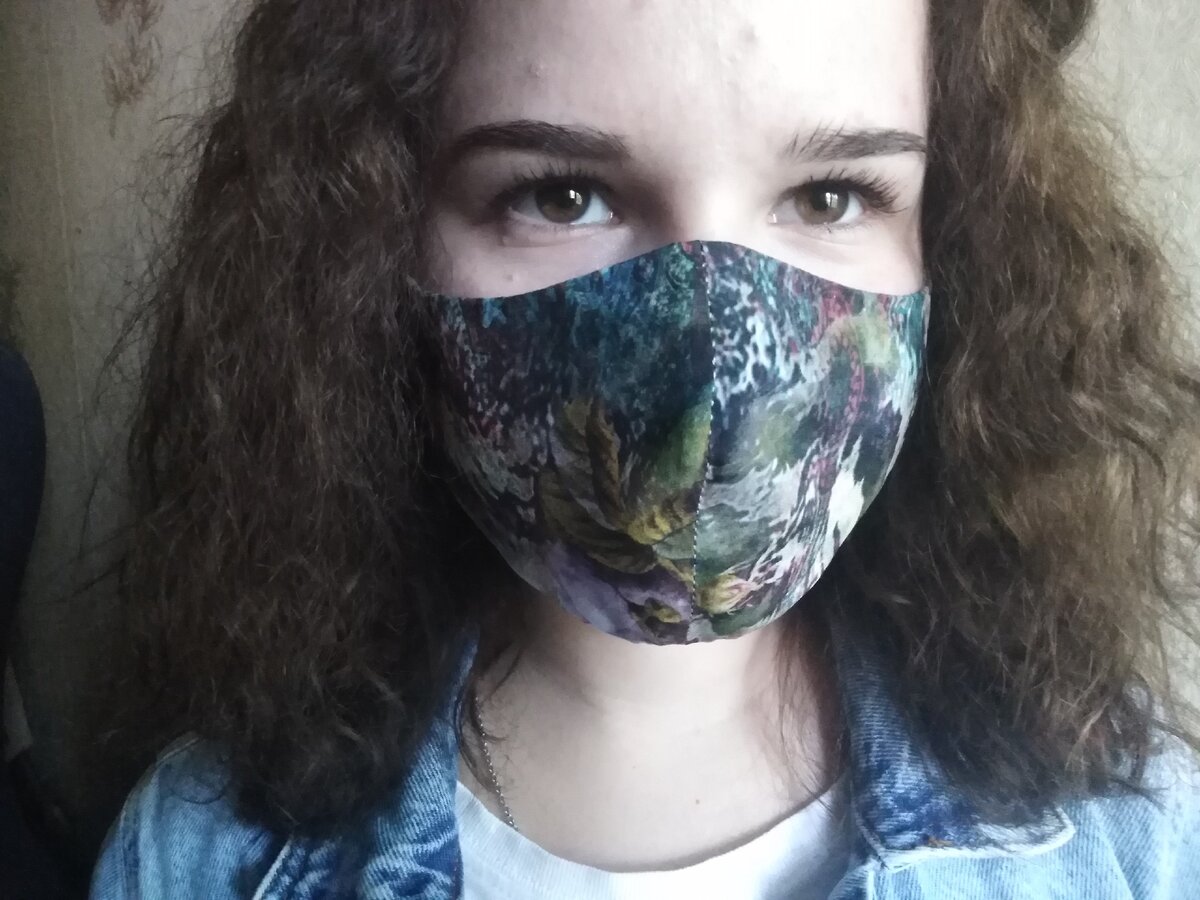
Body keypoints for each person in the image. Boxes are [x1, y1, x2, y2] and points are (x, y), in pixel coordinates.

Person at [89, 0, 1200, 897]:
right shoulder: (199, 858)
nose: (707, 370)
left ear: (949, 242)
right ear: (375, 245)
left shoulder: (1135, 841)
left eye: (830, 195)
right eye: (561, 195)